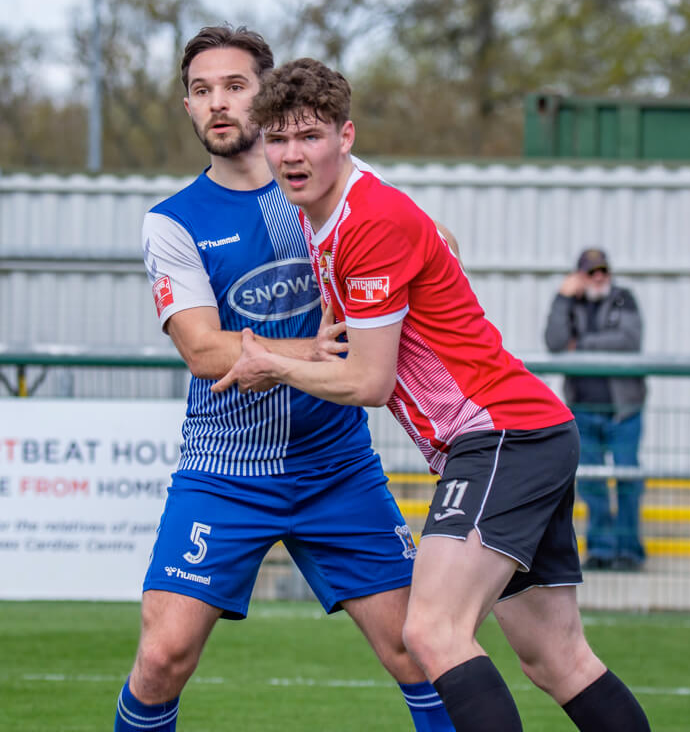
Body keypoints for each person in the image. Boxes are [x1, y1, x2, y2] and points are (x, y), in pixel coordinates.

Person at [214, 58, 651, 731]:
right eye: (277, 138)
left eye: (309, 136)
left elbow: (369, 382)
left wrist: (269, 361)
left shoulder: (366, 219)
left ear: (346, 135)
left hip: (501, 434)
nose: (291, 155)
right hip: (520, 435)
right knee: (556, 659)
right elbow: (432, 238)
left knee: (433, 633)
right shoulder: (327, 207)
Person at [116, 27, 454, 732]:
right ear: (186, 107)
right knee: (162, 656)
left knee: (416, 650)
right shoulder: (173, 223)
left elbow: (437, 247)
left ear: (266, 96)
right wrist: (317, 347)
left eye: (235, 87)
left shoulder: (330, 182)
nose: (218, 104)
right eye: (202, 91)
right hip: (225, 471)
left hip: (336, 468)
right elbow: (207, 353)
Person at [545, 249, 647, 572]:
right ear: (579, 276)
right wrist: (562, 299)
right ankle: (601, 549)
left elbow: (629, 340)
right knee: (590, 483)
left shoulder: (624, 299)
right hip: (581, 409)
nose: (599, 276)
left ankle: (629, 550)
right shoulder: (569, 303)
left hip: (623, 410)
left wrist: (582, 344)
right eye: (591, 272)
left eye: (604, 270)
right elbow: (554, 340)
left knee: (628, 478)